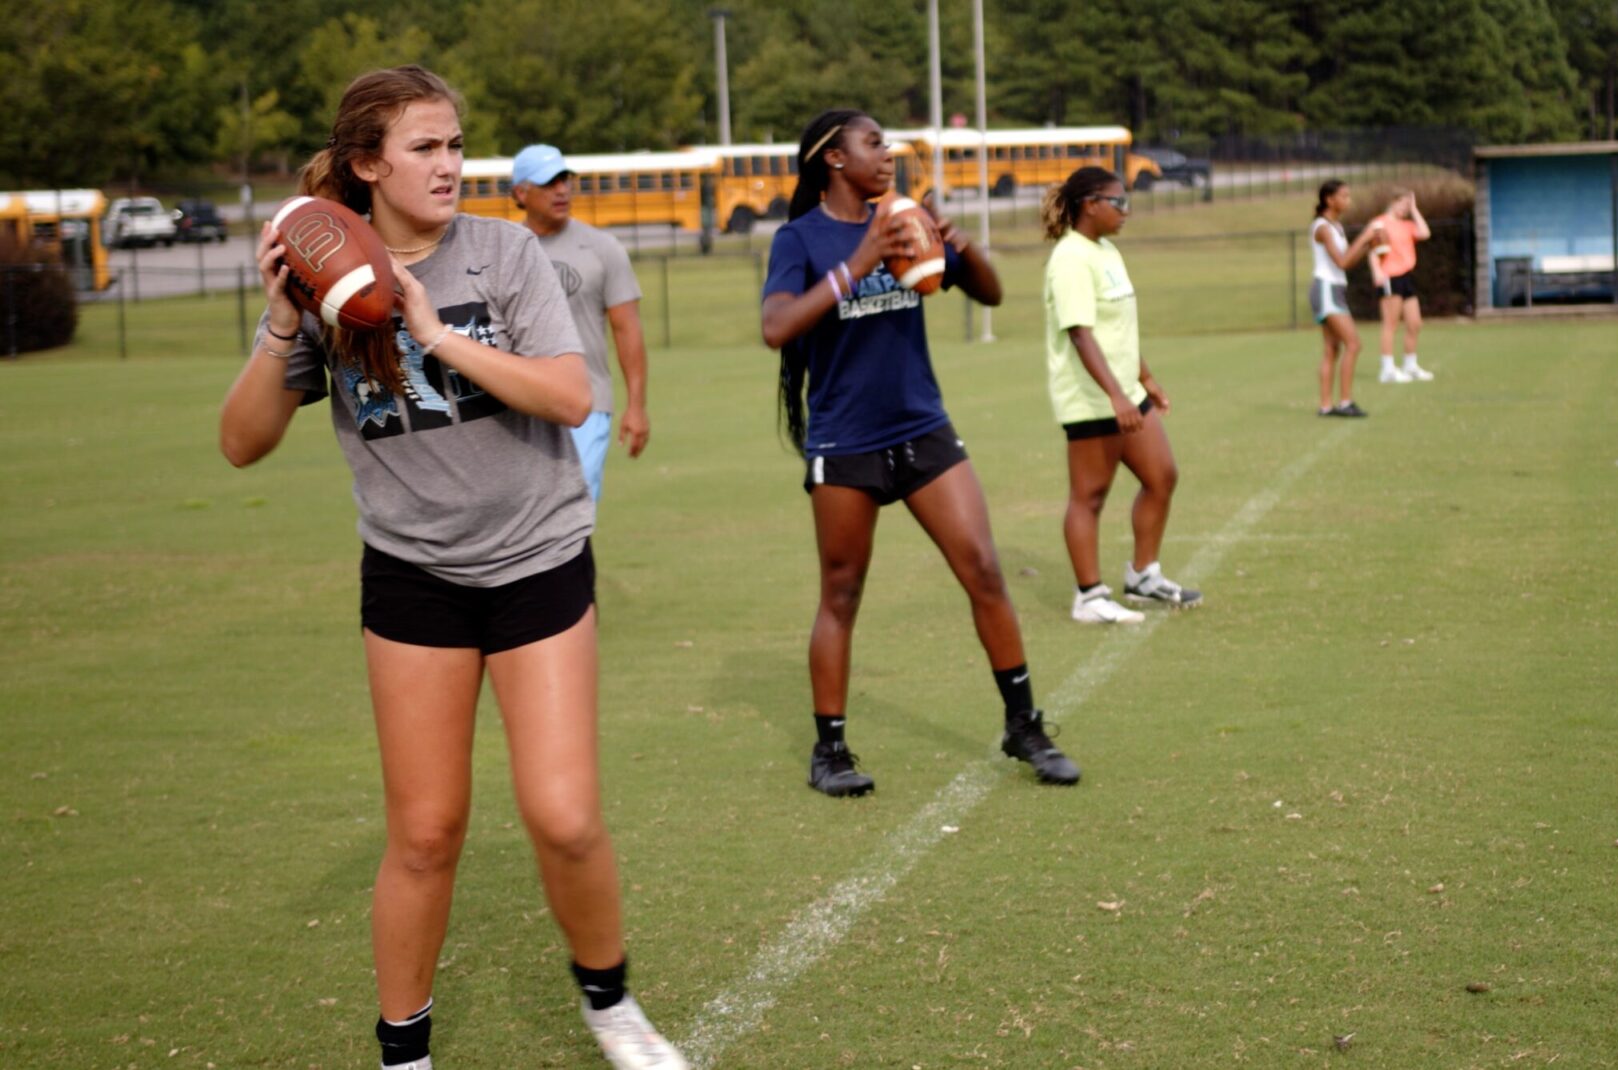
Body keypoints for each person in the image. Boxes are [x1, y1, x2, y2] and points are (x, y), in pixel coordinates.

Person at [217, 66, 686, 1070]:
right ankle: (404, 1051)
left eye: (454, 144)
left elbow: (569, 397)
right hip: (412, 576)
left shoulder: (505, 249)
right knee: (425, 832)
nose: (447, 164)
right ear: (365, 163)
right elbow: (239, 443)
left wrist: (434, 334)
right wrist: (285, 321)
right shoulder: (326, 276)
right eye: (423, 147)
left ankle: (610, 1003)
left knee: (562, 814)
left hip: (536, 559)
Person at [759, 109, 1080, 797]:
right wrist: (861, 261)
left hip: (922, 429)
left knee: (986, 570)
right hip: (846, 442)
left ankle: (1024, 726)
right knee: (841, 595)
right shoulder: (801, 238)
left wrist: (956, 241)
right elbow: (777, 326)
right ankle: (831, 752)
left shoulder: (906, 217)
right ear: (834, 160)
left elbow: (989, 291)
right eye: (872, 143)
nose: (888, 153)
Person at [1040, 166, 1202, 626]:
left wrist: (1145, 380)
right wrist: (1115, 395)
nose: (1127, 210)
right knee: (1089, 496)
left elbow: (1119, 330)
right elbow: (1080, 334)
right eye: (1119, 202)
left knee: (1162, 476)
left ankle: (1143, 576)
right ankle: (1089, 597)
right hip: (1092, 398)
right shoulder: (1071, 258)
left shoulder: (1107, 251)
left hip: (1125, 391)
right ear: (1090, 204)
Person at [511, 143, 650, 502]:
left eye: (565, 180)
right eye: (548, 182)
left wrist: (636, 406)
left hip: (586, 403)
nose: (561, 190)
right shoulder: (503, 251)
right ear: (520, 193)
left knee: (576, 505)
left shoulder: (603, 248)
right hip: (519, 403)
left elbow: (627, 329)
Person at [1308, 180, 1379, 417]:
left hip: (1334, 288)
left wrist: (1368, 246)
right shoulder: (1323, 228)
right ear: (1330, 199)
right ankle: (1345, 402)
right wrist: (1365, 236)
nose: (1348, 201)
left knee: (1331, 349)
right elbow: (1342, 262)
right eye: (1344, 196)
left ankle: (1326, 407)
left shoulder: (1336, 227)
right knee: (1353, 344)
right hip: (1326, 289)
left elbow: (1346, 262)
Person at [1368, 189, 1434, 383]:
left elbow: (1424, 233)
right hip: (1390, 276)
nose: (1406, 208)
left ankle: (1410, 365)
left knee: (1415, 323)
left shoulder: (1406, 225)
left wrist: (1414, 210)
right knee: (1391, 324)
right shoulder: (1380, 223)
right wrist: (1377, 271)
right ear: (1393, 202)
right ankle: (1387, 369)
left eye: (1408, 205)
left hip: (1406, 276)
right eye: (1404, 204)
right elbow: (1373, 249)